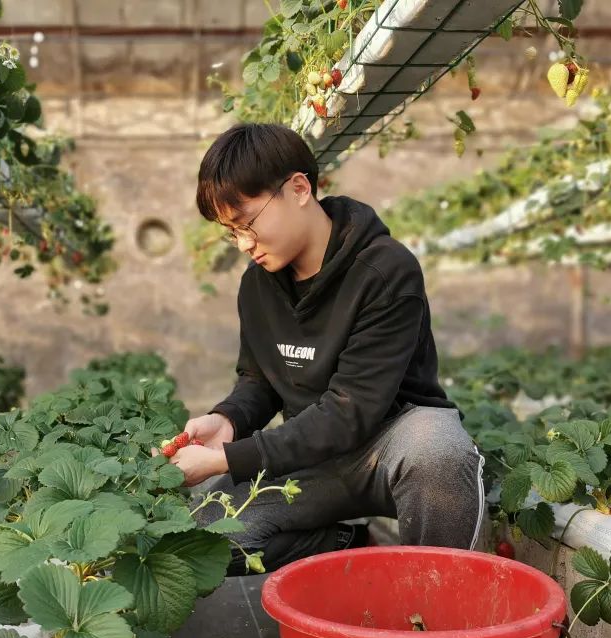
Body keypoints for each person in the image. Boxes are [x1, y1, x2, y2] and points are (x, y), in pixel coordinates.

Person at [167, 122, 485, 575]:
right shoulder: (257, 286)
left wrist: (227, 459)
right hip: (316, 462)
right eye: (230, 232)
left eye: (248, 224)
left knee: (438, 449)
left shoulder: (385, 271)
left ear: (298, 188)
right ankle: (351, 548)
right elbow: (260, 379)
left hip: (392, 448)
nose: (243, 244)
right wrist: (228, 420)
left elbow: (350, 410)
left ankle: (439, 597)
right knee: (201, 537)